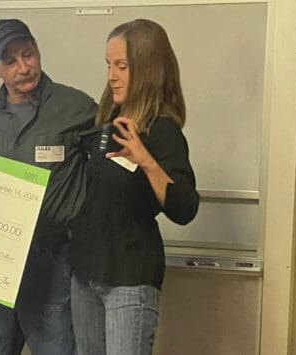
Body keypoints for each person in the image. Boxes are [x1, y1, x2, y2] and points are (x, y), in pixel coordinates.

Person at [67, 19, 200, 355]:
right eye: (109, 65)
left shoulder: (163, 130)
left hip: (129, 278)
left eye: (122, 66)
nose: (111, 75)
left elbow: (184, 208)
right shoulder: (107, 123)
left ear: (147, 69)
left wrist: (146, 161)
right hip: (86, 274)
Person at [0, 18, 97, 355]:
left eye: (28, 54)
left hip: (53, 260)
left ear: (38, 50)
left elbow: (111, 170)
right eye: (10, 61)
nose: (24, 67)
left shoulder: (77, 107)